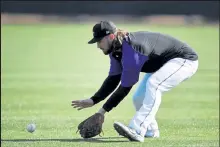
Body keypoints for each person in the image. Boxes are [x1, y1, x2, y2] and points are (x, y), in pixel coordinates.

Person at [71, 21, 198, 142]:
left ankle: (137, 130)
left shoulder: (132, 49)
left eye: (99, 41)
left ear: (110, 36)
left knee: (154, 85)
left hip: (184, 60)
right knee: (138, 98)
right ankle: (150, 130)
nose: (98, 45)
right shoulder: (115, 49)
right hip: (163, 64)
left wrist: (102, 111)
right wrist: (94, 100)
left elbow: (125, 86)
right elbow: (114, 78)